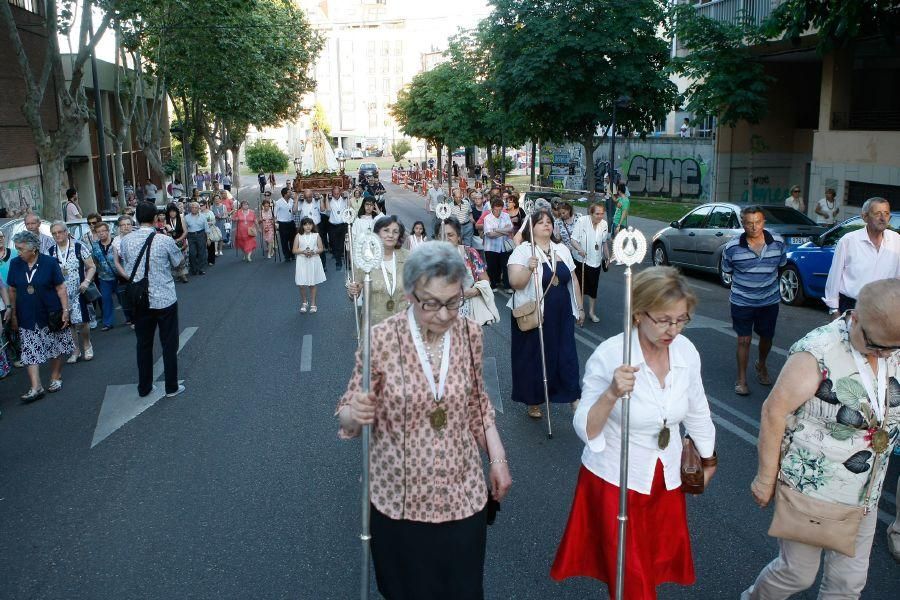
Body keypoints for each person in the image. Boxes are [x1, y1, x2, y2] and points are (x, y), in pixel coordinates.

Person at [336, 241, 512, 600]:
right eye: (431, 303)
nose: (445, 314)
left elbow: (478, 404)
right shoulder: (381, 339)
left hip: (461, 494)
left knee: (463, 591)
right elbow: (348, 418)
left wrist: (498, 458)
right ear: (409, 295)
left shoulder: (469, 334)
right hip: (398, 501)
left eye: (453, 301)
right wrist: (356, 412)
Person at [552, 266, 717, 599]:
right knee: (631, 577)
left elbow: (698, 408)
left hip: (664, 479)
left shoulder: (685, 351)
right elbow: (584, 427)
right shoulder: (612, 354)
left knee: (648, 567)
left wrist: (709, 458)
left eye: (682, 319)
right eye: (664, 320)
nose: (674, 329)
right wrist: (611, 393)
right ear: (639, 313)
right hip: (615, 481)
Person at [744, 278, 900, 600]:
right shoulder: (819, 351)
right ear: (854, 317)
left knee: (848, 585)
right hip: (813, 490)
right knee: (797, 574)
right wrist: (764, 478)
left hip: (865, 494)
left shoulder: (890, 348)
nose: (883, 353)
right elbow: (774, 411)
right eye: (874, 345)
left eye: (891, 348)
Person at [507, 208, 584, 418]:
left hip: (561, 315)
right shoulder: (523, 251)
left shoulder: (562, 250)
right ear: (531, 228)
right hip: (535, 315)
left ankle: (572, 396)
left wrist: (580, 308)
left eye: (549, 221)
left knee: (566, 355)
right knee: (533, 358)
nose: (546, 225)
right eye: (540, 222)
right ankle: (533, 400)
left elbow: (574, 279)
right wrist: (528, 268)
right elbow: (515, 283)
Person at [120, 201, 185, 398]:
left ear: (136, 219)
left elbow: (127, 262)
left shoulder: (126, 241)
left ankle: (144, 386)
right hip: (164, 297)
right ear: (156, 218)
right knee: (169, 343)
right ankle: (171, 387)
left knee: (143, 344)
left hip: (139, 299)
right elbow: (178, 262)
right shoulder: (164, 240)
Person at [721, 205, 787, 396]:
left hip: (769, 300)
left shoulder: (778, 243)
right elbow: (728, 269)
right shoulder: (732, 247)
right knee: (744, 339)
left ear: (763, 222)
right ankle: (741, 379)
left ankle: (762, 364)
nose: (754, 227)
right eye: (749, 223)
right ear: (743, 224)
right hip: (742, 300)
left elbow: (781, 266)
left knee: (767, 337)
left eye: (757, 222)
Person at [6, 230, 75, 399]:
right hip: (27, 315)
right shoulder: (15, 264)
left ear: (33, 249)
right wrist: (13, 312)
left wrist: (65, 311)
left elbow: (61, 288)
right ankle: (36, 387)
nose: (18, 252)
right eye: (17, 248)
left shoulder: (50, 263)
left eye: (21, 248)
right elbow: (12, 289)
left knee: (55, 346)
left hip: (50, 313)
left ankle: (55, 376)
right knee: (29, 351)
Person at [824, 197, 900, 317]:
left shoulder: (896, 240)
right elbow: (835, 276)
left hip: (885, 310)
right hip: (852, 307)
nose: (882, 218)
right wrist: (833, 310)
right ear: (865, 217)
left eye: (886, 213)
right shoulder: (848, 241)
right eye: (877, 213)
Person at [346, 215, 409, 325]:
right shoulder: (365, 258)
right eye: (386, 230)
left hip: (403, 323)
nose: (390, 235)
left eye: (395, 232)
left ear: (399, 235)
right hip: (374, 324)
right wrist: (353, 291)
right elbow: (355, 292)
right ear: (377, 234)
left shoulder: (409, 257)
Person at [48, 221, 95, 364]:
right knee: (68, 323)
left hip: (78, 290)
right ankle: (75, 350)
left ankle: (87, 344)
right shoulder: (50, 251)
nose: (57, 235)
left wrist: (86, 281)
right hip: (61, 293)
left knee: (82, 321)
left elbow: (91, 266)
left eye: (60, 232)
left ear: (66, 232)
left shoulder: (79, 246)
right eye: (54, 233)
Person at [436, 217, 493, 323]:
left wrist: (475, 291)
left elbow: (486, 281)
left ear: (458, 237)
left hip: (468, 316)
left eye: (450, 235)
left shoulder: (470, 253)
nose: (446, 239)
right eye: (442, 236)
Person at [572, 202, 610, 323]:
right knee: (580, 288)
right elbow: (573, 240)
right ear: (591, 213)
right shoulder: (582, 221)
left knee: (593, 288)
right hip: (581, 260)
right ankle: (579, 311)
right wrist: (580, 249)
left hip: (596, 261)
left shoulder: (604, 224)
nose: (600, 216)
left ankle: (592, 312)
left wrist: (607, 257)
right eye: (597, 214)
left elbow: (604, 243)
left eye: (602, 214)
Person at [293, 217, 326, 313]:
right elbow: (294, 250)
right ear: (302, 226)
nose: (308, 226)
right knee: (301, 283)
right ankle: (304, 302)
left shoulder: (316, 235)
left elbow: (321, 248)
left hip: (313, 260)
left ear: (312, 225)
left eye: (310, 224)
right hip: (301, 261)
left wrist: (313, 252)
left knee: (312, 283)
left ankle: (313, 303)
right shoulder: (298, 236)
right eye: (305, 224)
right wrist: (303, 251)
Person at [91, 222, 120, 331]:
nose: (101, 233)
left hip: (119, 276)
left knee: (122, 298)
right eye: (99, 232)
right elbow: (94, 261)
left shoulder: (115, 243)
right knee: (105, 299)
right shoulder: (95, 246)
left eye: (103, 231)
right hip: (104, 277)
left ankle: (130, 318)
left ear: (108, 231)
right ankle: (107, 322)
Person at [482, 197, 514, 292]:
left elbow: (510, 229)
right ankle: (493, 284)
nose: (498, 212)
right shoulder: (487, 218)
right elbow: (490, 234)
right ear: (492, 208)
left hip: (504, 246)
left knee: (505, 266)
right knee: (492, 266)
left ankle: (507, 286)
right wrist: (504, 231)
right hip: (491, 247)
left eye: (500, 209)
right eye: (496, 210)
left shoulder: (506, 216)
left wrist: (496, 230)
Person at [112, 215, 135, 326]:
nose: (125, 227)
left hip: (138, 272)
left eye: (128, 224)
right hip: (123, 274)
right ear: (119, 227)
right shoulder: (116, 240)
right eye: (122, 225)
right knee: (125, 300)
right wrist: (125, 275)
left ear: (132, 225)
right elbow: (116, 262)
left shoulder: (137, 236)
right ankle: (131, 318)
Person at [164, 203, 188, 283]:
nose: (172, 213)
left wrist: (179, 239)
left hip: (181, 241)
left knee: (182, 259)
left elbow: (185, 232)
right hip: (171, 242)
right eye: (170, 212)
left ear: (176, 212)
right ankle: (180, 274)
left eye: (174, 211)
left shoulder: (181, 218)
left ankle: (183, 275)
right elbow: (166, 234)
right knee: (174, 259)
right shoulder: (166, 221)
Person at [183, 201, 209, 275]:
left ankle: (201, 268)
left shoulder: (203, 216)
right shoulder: (186, 217)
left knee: (201, 252)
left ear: (198, 208)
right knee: (192, 253)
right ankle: (194, 269)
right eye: (192, 207)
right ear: (190, 208)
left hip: (201, 234)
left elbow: (206, 228)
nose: (193, 209)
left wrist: (208, 238)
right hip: (191, 236)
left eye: (195, 207)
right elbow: (185, 228)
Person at [327, 188, 349, 270]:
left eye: (337, 193)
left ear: (340, 192)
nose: (336, 195)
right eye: (334, 194)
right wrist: (326, 198)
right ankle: (338, 261)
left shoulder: (344, 199)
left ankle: (345, 261)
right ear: (332, 193)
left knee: (343, 243)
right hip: (333, 225)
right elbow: (327, 211)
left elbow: (349, 206)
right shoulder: (329, 200)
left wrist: (347, 195)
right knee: (334, 244)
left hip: (343, 225)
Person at [274, 187, 297, 262]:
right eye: (289, 192)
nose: (291, 193)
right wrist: (275, 223)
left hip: (291, 222)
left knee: (292, 240)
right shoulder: (278, 202)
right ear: (285, 194)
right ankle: (286, 255)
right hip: (283, 224)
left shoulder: (291, 201)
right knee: (284, 241)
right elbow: (275, 214)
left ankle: (292, 254)